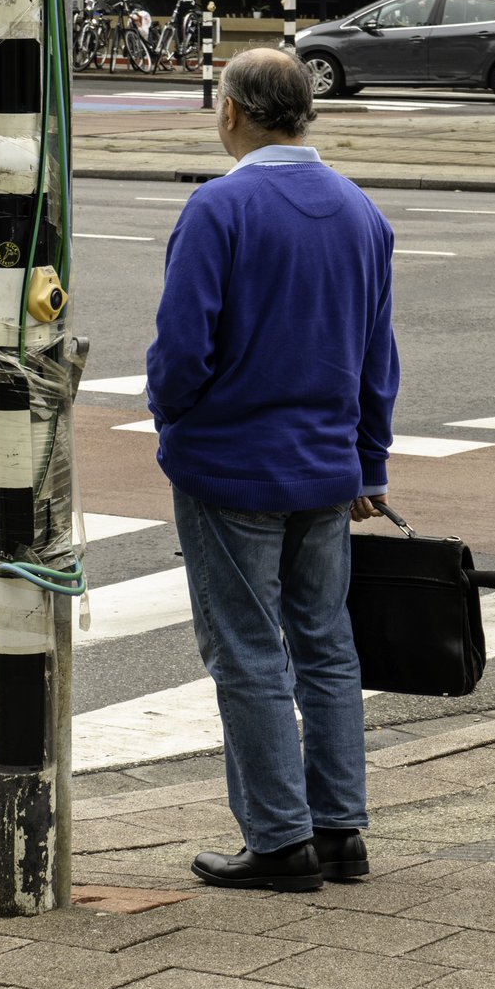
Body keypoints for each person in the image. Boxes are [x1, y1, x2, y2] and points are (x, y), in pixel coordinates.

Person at [146, 47, 400, 893]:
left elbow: (182, 348)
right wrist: (368, 462)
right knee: (325, 645)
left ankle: (278, 841)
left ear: (230, 112)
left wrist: (176, 422)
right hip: (326, 467)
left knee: (247, 650)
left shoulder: (218, 207)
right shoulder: (361, 212)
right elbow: (376, 356)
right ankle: (339, 832)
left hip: (230, 465)